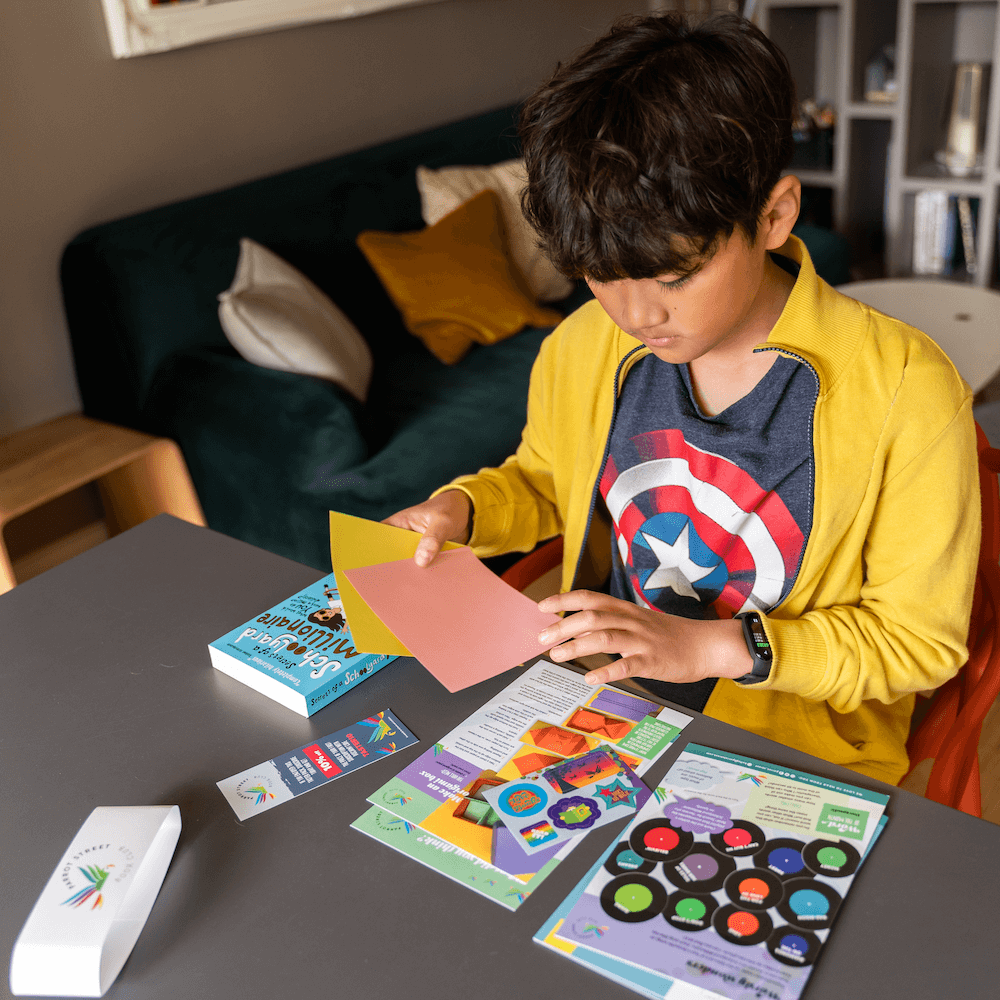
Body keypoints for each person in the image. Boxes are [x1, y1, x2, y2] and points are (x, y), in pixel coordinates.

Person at [385, 12, 980, 783]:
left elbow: (915, 644)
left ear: (773, 215)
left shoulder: (907, 390)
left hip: (791, 748)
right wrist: (460, 509)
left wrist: (708, 645)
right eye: (601, 275)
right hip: (608, 703)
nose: (636, 316)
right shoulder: (584, 345)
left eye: (672, 277)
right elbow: (543, 480)